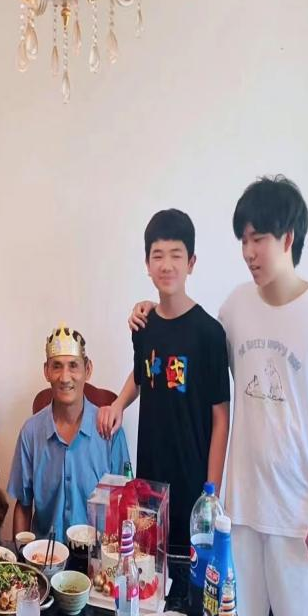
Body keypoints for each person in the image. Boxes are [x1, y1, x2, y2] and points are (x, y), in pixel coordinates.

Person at [129, 177, 308, 616]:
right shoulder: (236, 307)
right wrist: (147, 311)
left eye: (258, 238)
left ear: (288, 238)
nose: (248, 252)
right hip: (239, 508)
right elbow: (185, 348)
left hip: (300, 511)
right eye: (243, 239)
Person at [98, 209, 230, 551]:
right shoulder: (144, 325)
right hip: (151, 480)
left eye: (176, 255)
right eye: (158, 255)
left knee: (190, 573)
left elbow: (221, 417)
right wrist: (118, 403)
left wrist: (211, 496)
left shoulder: (209, 334)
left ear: (191, 262)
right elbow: (144, 374)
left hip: (193, 482)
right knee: (149, 563)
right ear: (147, 263)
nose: (167, 265)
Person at [9, 324, 130, 543]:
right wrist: (22, 554)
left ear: (88, 369)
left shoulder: (110, 431)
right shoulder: (31, 433)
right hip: (44, 556)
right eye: (57, 366)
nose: (65, 377)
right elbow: (23, 506)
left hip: (97, 557)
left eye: (73, 366)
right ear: (46, 371)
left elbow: (125, 507)